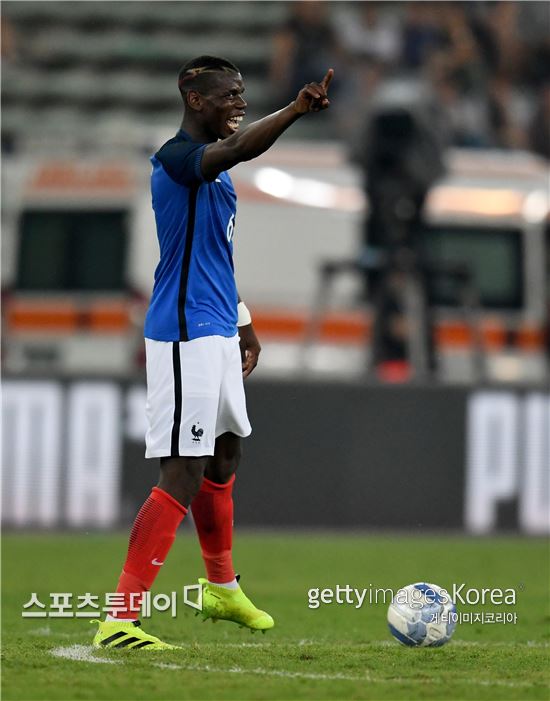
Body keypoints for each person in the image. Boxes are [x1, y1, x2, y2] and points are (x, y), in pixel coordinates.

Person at [92, 55, 333, 650]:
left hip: (219, 328)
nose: (240, 104)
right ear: (195, 100)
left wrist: (242, 320)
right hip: (184, 333)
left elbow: (214, 256)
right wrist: (295, 110)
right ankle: (119, 619)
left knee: (224, 457)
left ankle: (221, 587)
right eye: (229, 95)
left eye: (243, 94)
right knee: (183, 470)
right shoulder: (177, 159)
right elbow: (240, 150)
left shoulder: (216, 174)